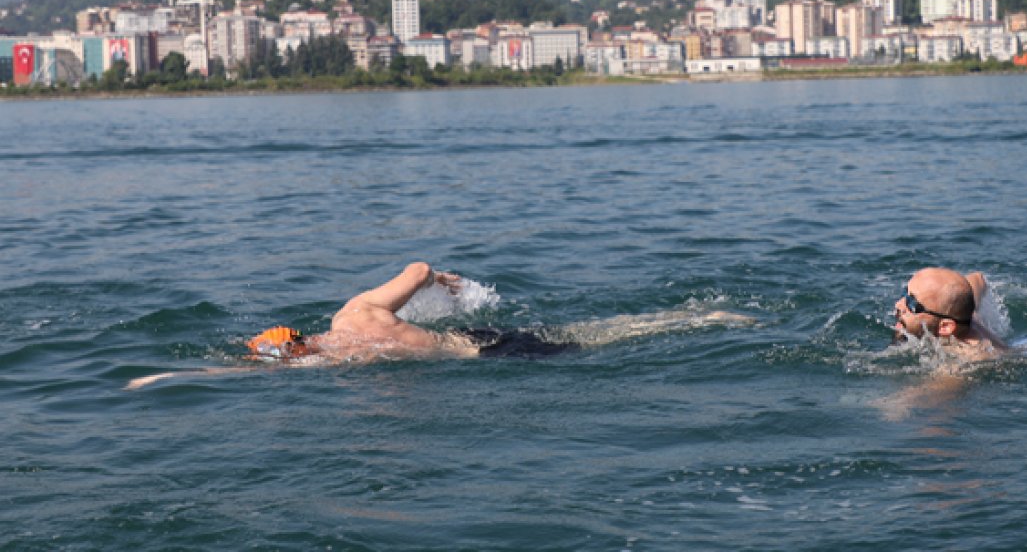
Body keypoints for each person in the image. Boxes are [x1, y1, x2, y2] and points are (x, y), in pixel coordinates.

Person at [126, 262, 752, 390]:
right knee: (599, 334)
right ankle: (698, 317)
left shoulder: (347, 345)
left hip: (490, 352)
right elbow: (418, 268)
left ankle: (705, 317)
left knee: (607, 336)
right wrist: (436, 281)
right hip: (487, 351)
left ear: (290, 353)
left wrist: (166, 374)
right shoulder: (350, 323)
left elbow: (418, 266)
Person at [893, 267, 1006, 360]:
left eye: (912, 304)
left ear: (945, 326)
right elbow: (977, 278)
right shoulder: (963, 312)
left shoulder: (966, 361)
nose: (898, 304)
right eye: (905, 293)